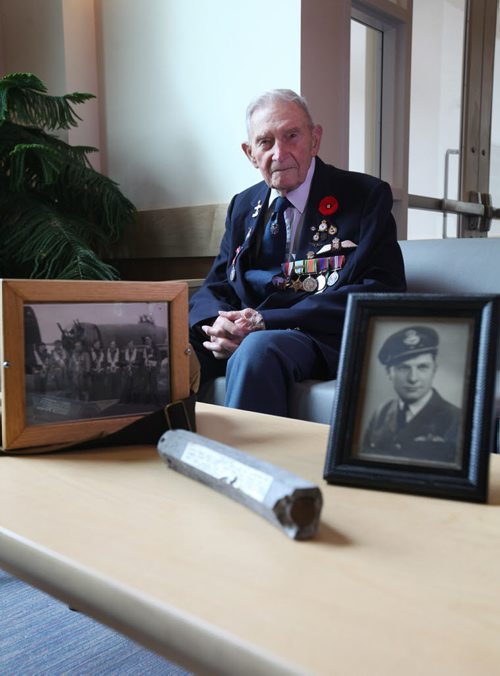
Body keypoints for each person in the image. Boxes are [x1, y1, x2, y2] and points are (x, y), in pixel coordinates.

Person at [189, 88, 406, 416]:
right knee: (171, 351)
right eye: (265, 142)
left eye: (292, 136)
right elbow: (216, 285)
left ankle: (244, 468)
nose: (280, 153)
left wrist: (263, 322)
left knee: (257, 348)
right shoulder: (243, 205)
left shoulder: (364, 196)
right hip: (251, 331)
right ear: (250, 153)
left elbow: (380, 290)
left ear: (314, 139)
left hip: (319, 335)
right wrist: (219, 326)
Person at [362, 326, 461, 464]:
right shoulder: (382, 412)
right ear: (389, 373)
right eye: (404, 368)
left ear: (434, 370)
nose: (413, 378)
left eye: (422, 367)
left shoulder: (456, 419)